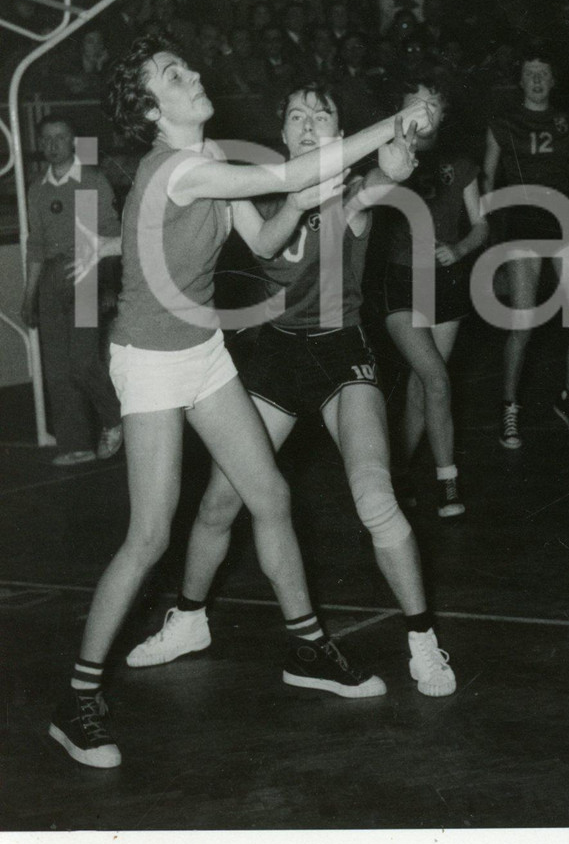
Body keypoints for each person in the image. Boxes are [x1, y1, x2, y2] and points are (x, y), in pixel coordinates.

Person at [47, 31, 431, 769]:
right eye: (172, 74)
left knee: (272, 496)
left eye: (185, 64)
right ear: (153, 111)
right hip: (152, 361)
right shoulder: (181, 167)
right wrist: (390, 124)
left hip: (203, 352)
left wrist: (308, 197)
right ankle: (79, 697)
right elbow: (289, 170)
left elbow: (261, 241)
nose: (192, 72)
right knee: (150, 534)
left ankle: (309, 646)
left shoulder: (216, 156)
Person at [125, 81, 457, 697]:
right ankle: (189, 620)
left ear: (337, 133)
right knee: (219, 506)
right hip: (275, 355)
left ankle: (422, 641)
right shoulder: (244, 187)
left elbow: (385, 175)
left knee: (374, 495)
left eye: (321, 116)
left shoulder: (352, 194)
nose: (307, 124)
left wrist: (404, 142)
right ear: (281, 134)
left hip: (339, 353)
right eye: (296, 115)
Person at [482, 48, 569, 450]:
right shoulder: (503, 122)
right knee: (523, 323)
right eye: (529, 73)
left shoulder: (566, 121)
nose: (536, 80)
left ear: (553, 81)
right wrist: (488, 217)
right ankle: (509, 406)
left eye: (543, 73)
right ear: (520, 80)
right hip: (523, 223)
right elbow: (487, 174)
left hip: (564, 220)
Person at [382, 75, 489, 518]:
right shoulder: (387, 156)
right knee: (437, 380)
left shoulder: (460, 162)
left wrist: (460, 248)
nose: (423, 111)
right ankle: (448, 481)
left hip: (445, 281)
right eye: (414, 103)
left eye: (432, 104)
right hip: (400, 280)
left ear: (443, 113)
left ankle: (396, 472)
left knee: (422, 386)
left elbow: (481, 223)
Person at [21, 116, 123, 467]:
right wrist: (29, 295)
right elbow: (35, 246)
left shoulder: (91, 181)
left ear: (73, 141)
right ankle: (75, 444)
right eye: (46, 139)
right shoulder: (38, 189)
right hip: (51, 279)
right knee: (57, 369)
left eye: (60, 137)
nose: (53, 145)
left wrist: (108, 284)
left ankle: (115, 419)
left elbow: (112, 234)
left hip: (86, 273)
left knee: (82, 363)